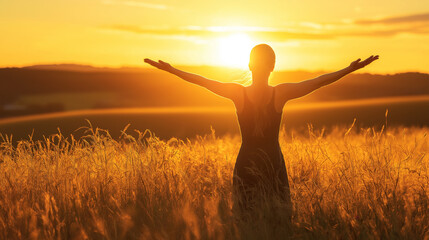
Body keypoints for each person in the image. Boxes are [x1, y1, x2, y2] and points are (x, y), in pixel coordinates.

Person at [144, 44, 378, 212]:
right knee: (279, 217)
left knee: (244, 216)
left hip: (246, 161)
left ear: (249, 64)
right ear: (273, 66)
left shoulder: (238, 93)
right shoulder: (280, 93)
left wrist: (172, 70)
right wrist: (348, 69)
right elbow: (318, 81)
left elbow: (203, 81)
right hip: (273, 162)